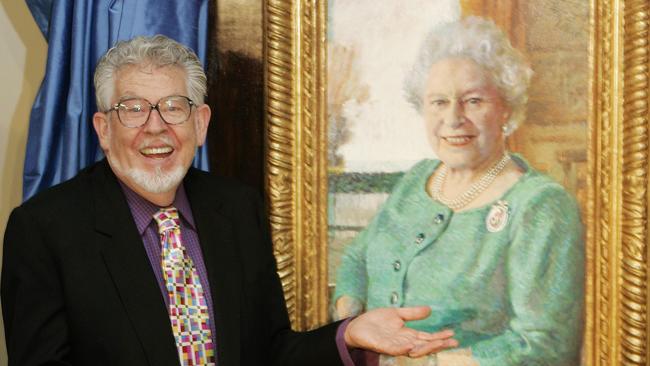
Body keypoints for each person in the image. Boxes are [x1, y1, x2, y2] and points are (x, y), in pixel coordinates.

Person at [1, 35, 459, 366]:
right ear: (103, 129)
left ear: (200, 124)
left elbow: (271, 351)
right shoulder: (44, 229)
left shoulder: (236, 209)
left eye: (174, 107)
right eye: (134, 109)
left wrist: (349, 334)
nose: (156, 127)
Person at [333, 17, 584, 366]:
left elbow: (545, 346)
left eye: (473, 101)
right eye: (438, 102)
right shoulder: (418, 179)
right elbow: (357, 259)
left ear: (506, 109)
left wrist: (432, 363)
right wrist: (353, 324)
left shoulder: (540, 206)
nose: (453, 118)